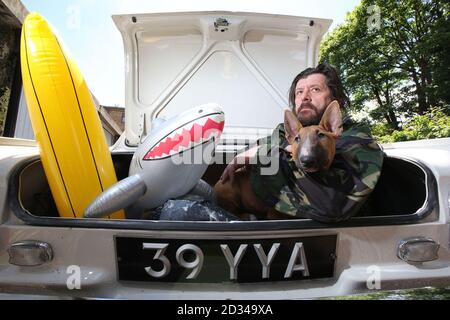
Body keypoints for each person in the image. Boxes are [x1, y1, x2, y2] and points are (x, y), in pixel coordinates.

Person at [219, 63, 384, 223]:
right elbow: (242, 162)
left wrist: (264, 153)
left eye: (315, 89)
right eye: (299, 92)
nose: (304, 96)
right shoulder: (283, 133)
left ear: (337, 100)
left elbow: (333, 203)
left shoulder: (355, 139)